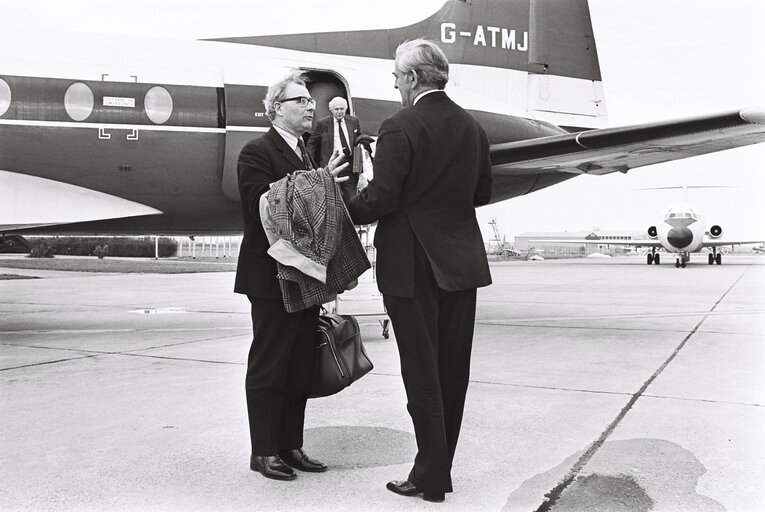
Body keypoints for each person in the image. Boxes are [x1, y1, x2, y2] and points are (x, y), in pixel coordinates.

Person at [333, 39, 492, 503]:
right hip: (461, 264)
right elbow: (480, 192)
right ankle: (436, 471)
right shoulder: (472, 128)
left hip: (412, 266)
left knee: (421, 375)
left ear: (413, 78)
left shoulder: (399, 126)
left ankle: (431, 478)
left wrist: (346, 201)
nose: (397, 86)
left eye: (398, 78)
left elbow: (381, 200)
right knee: (451, 374)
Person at [234, 70, 347, 481]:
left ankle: (290, 446)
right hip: (270, 278)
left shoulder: (308, 154)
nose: (309, 106)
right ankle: (263, 451)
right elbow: (259, 205)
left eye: (309, 101)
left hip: (304, 278)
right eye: (300, 100)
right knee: (269, 364)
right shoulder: (255, 151)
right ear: (275, 110)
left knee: (299, 365)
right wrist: (320, 181)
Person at [307, 96, 362, 167]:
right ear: (331, 110)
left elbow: (358, 143)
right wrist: (310, 163)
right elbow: (311, 144)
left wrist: (358, 167)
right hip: (331, 164)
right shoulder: (322, 123)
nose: (339, 112)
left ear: (346, 109)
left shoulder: (354, 121)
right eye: (336, 109)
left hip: (350, 164)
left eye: (342, 109)